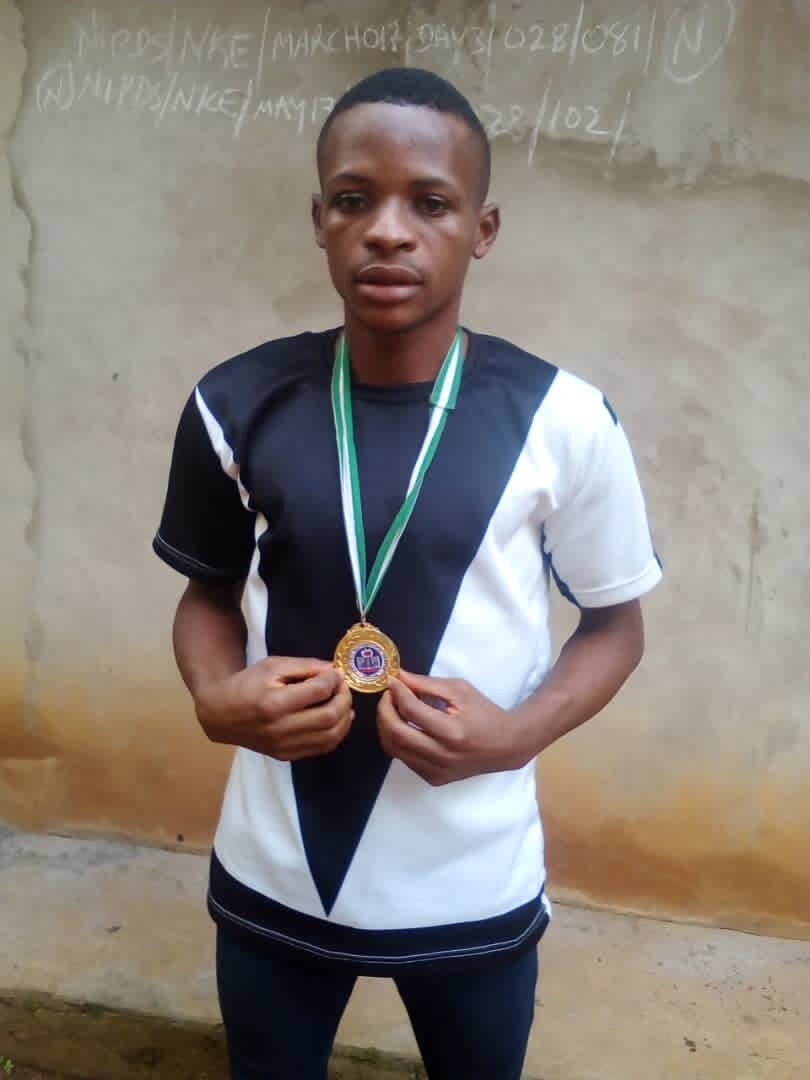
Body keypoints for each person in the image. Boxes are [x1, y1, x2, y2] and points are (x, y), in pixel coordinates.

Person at [153, 66, 662, 1080]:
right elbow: (207, 592)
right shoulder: (233, 401)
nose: (389, 229)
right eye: (356, 199)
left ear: (482, 227)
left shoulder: (564, 419)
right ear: (320, 218)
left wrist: (516, 734)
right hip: (276, 871)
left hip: (471, 878)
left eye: (429, 202)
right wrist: (216, 697)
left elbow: (616, 627)